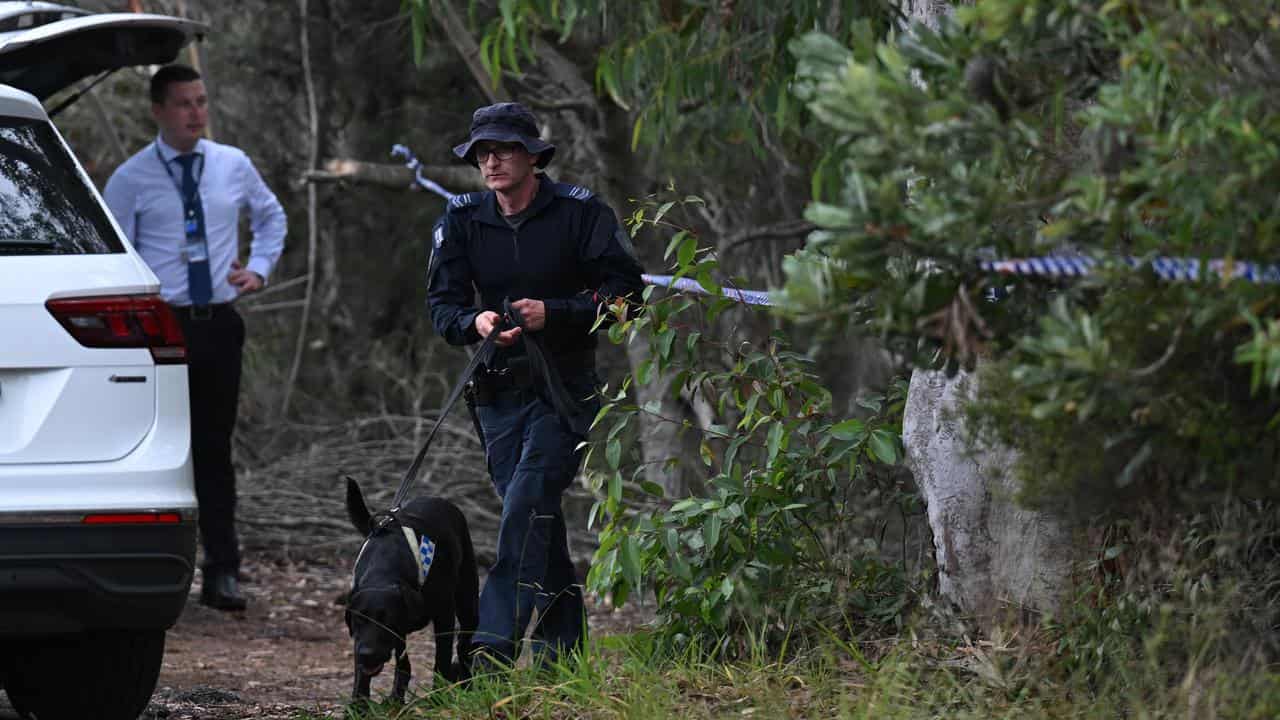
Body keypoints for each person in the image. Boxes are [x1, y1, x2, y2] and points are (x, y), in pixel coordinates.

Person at [427, 102, 644, 670]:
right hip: (496, 393)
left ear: (532, 156)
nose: (490, 161)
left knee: (525, 506)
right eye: (481, 153)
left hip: (565, 391)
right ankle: (563, 660)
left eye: (502, 149)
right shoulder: (462, 217)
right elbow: (442, 307)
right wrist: (474, 323)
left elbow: (628, 299)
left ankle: (490, 652)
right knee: (536, 517)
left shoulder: (582, 212)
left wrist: (559, 312)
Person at [104, 64, 287, 612]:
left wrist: (258, 268)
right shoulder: (131, 178)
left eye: (202, 101)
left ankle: (223, 571)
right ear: (158, 110)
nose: (196, 113)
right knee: (149, 448)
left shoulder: (232, 164)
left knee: (214, 450)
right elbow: (116, 256)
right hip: (159, 329)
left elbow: (272, 216)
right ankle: (141, 571)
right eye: (184, 104)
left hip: (217, 323)